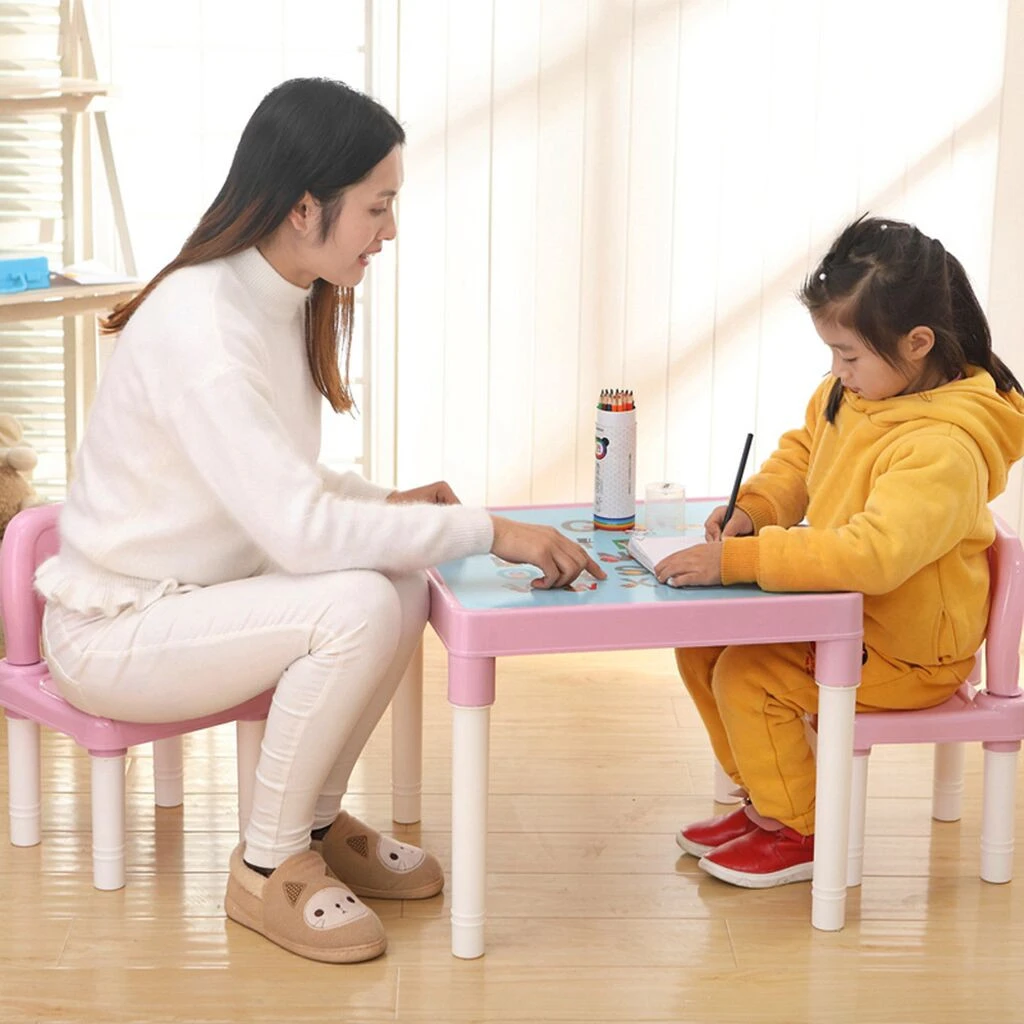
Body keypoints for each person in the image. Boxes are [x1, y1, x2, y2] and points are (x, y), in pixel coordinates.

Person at [36, 77, 605, 962]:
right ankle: (267, 868)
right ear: (307, 207)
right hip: (118, 628)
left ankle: (308, 823)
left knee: (396, 580)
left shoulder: (274, 294)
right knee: (358, 605)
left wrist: (382, 504)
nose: (390, 231)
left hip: (201, 594)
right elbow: (298, 530)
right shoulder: (204, 326)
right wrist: (491, 531)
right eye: (378, 208)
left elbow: (273, 482)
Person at [656, 215, 1024, 889]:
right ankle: (771, 802)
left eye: (849, 356)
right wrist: (756, 511)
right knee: (701, 645)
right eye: (832, 353)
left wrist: (741, 561)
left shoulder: (943, 447)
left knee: (747, 676)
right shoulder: (851, 395)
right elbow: (801, 459)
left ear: (917, 344)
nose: (837, 373)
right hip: (850, 617)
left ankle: (804, 828)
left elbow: (872, 555)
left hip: (908, 649)